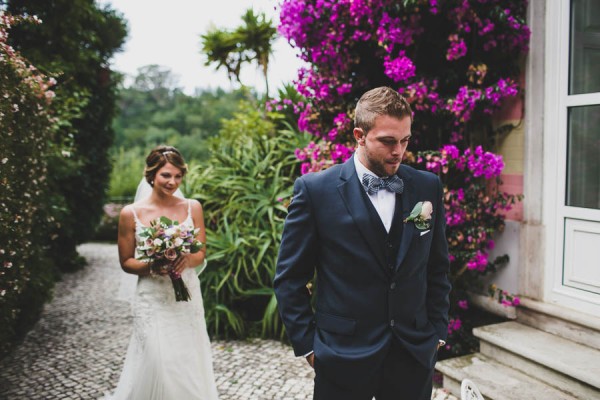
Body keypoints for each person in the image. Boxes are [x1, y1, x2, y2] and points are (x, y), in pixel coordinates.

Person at [274, 87, 451, 400]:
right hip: (341, 355)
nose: (399, 151)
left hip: (412, 353)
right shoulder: (316, 191)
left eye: (405, 140)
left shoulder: (426, 186)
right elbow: (290, 278)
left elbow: (436, 266)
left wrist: (436, 332)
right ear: (359, 134)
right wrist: (310, 347)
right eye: (388, 141)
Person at [105, 145, 219, 400]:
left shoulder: (193, 207)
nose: (173, 182)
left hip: (186, 297)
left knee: (186, 362)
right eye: (166, 175)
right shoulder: (130, 213)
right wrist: (153, 266)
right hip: (152, 297)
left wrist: (187, 259)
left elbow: (201, 253)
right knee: (157, 361)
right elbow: (126, 261)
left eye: (178, 176)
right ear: (152, 175)